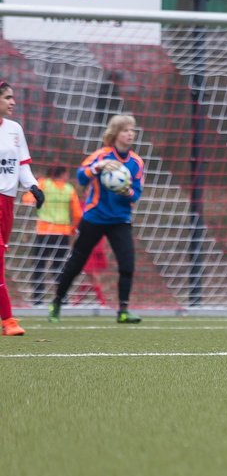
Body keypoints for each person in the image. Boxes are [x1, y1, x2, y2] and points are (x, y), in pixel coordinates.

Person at [49, 114, 145, 324]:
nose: (130, 134)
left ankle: (123, 310)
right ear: (115, 134)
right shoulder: (101, 156)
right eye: (125, 130)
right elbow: (81, 177)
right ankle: (56, 302)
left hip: (120, 219)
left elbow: (136, 194)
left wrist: (126, 191)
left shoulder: (136, 162)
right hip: (94, 218)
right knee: (76, 262)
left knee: (127, 264)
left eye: (132, 130)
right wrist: (98, 168)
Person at [0, 80, 46, 336]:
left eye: (13, 97)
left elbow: (22, 166)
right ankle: (8, 320)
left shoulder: (15, 129)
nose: (13, 102)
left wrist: (34, 187)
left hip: (7, 203)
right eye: (7, 97)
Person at [23, 165, 81, 306]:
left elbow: (27, 198)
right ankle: (62, 297)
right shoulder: (69, 189)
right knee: (59, 267)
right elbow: (78, 214)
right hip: (62, 234)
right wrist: (72, 229)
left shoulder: (43, 183)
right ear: (62, 174)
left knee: (39, 265)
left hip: (44, 232)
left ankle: (37, 298)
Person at [70, 235, 111, 308]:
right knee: (92, 275)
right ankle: (102, 302)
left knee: (91, 277)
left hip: (98, 247)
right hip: (88, 247)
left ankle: (78, 301)